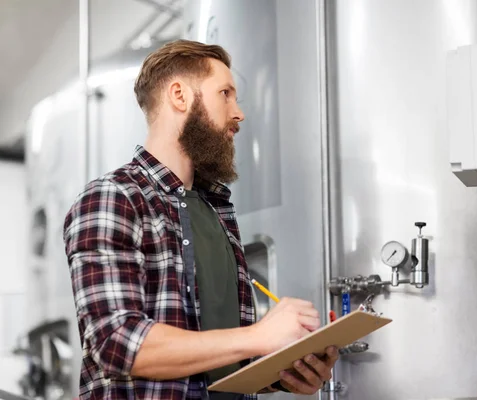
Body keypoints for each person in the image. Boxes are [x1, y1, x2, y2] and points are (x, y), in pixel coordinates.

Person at [63, 39, 339, 400]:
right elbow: (117, 341)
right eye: (225, 93)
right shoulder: (114, 198)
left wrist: (284, 372)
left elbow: (218, 360)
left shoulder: (216, 209)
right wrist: (259, 335)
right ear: (179, 96)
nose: (238, 113)